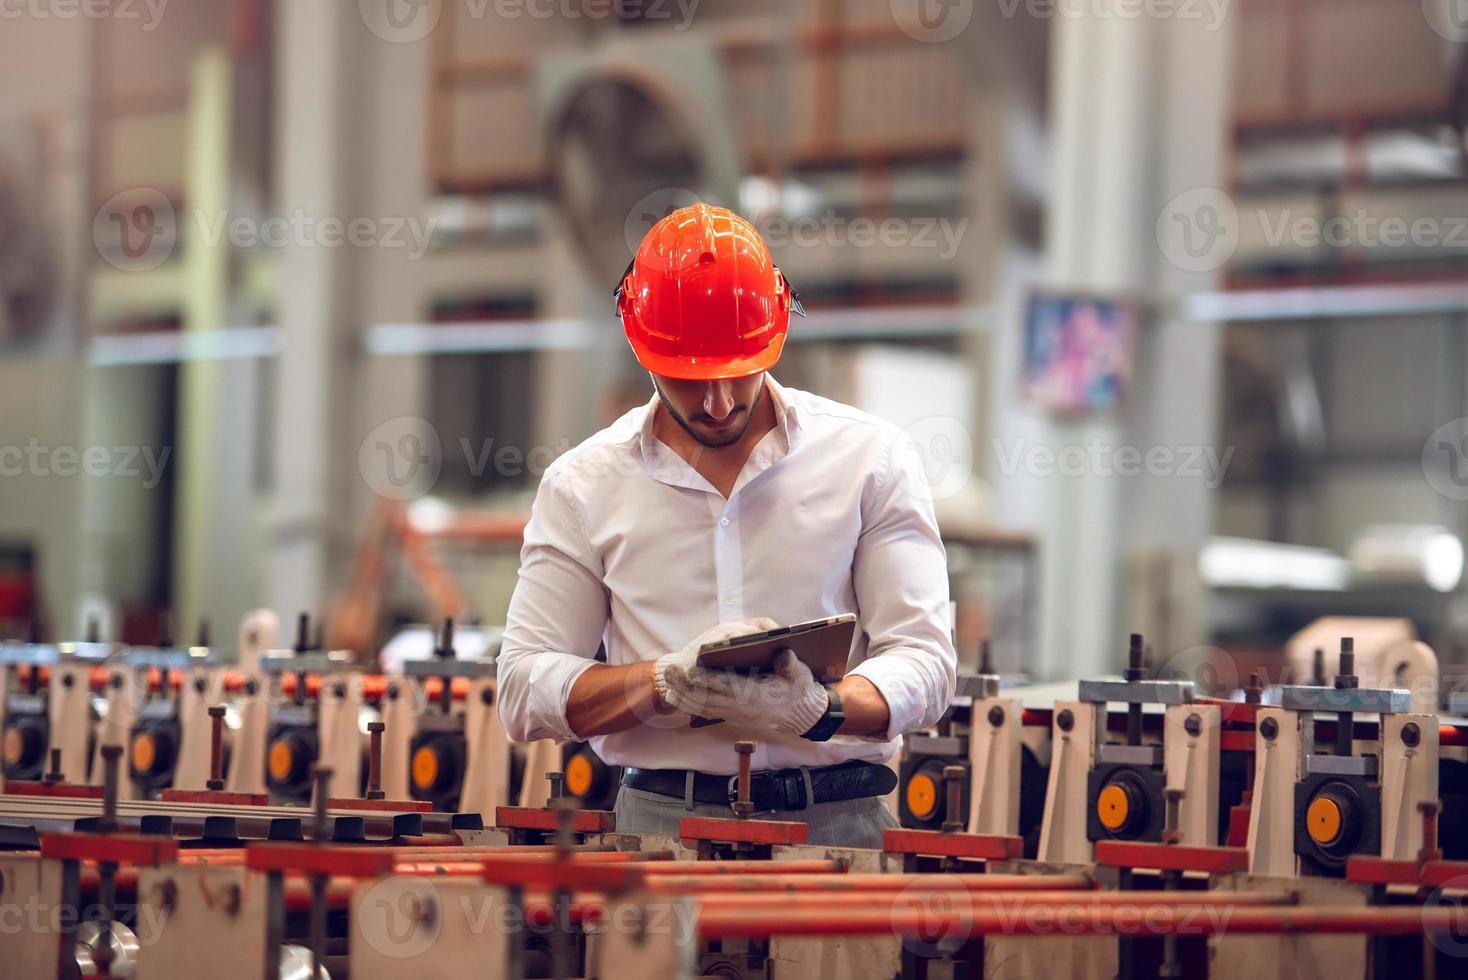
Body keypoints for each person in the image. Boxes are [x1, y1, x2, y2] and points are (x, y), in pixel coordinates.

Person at [496, 203, 956, 847]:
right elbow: (521, 687)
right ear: (643, 351)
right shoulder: (584, 486)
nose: (718, 403)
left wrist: (821, 711)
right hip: (660, 832)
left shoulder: (869, 459)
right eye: (688, 380)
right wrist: (660, 684)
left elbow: (926, 661)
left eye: (739, 372)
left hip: (837, 827)